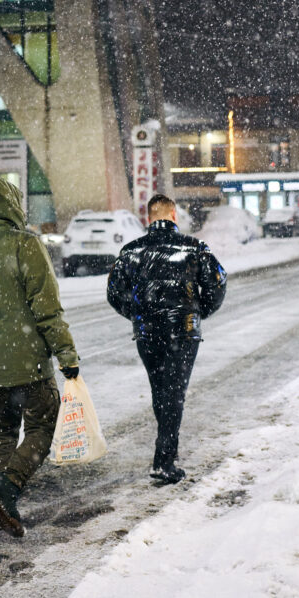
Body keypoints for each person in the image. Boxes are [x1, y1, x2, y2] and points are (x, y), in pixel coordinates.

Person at [0, 177, 79, 537]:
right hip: (30, 366)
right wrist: (67, 355)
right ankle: (7, 491)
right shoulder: (26, 245)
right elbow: (48, 310)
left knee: (3, 432)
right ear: (11, 206)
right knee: (42, 427)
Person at [107, 193, 226, 484]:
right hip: (182, 331)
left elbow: (114, 292)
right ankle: (164, 460)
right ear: (173, 215)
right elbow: (217, 282)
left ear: (149, 217)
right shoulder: (194, 247)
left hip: (147, 333)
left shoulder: (131, 251)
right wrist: (199, 311)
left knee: (160, 389)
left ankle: (166, 451)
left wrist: (137, 314)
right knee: (174, 391)